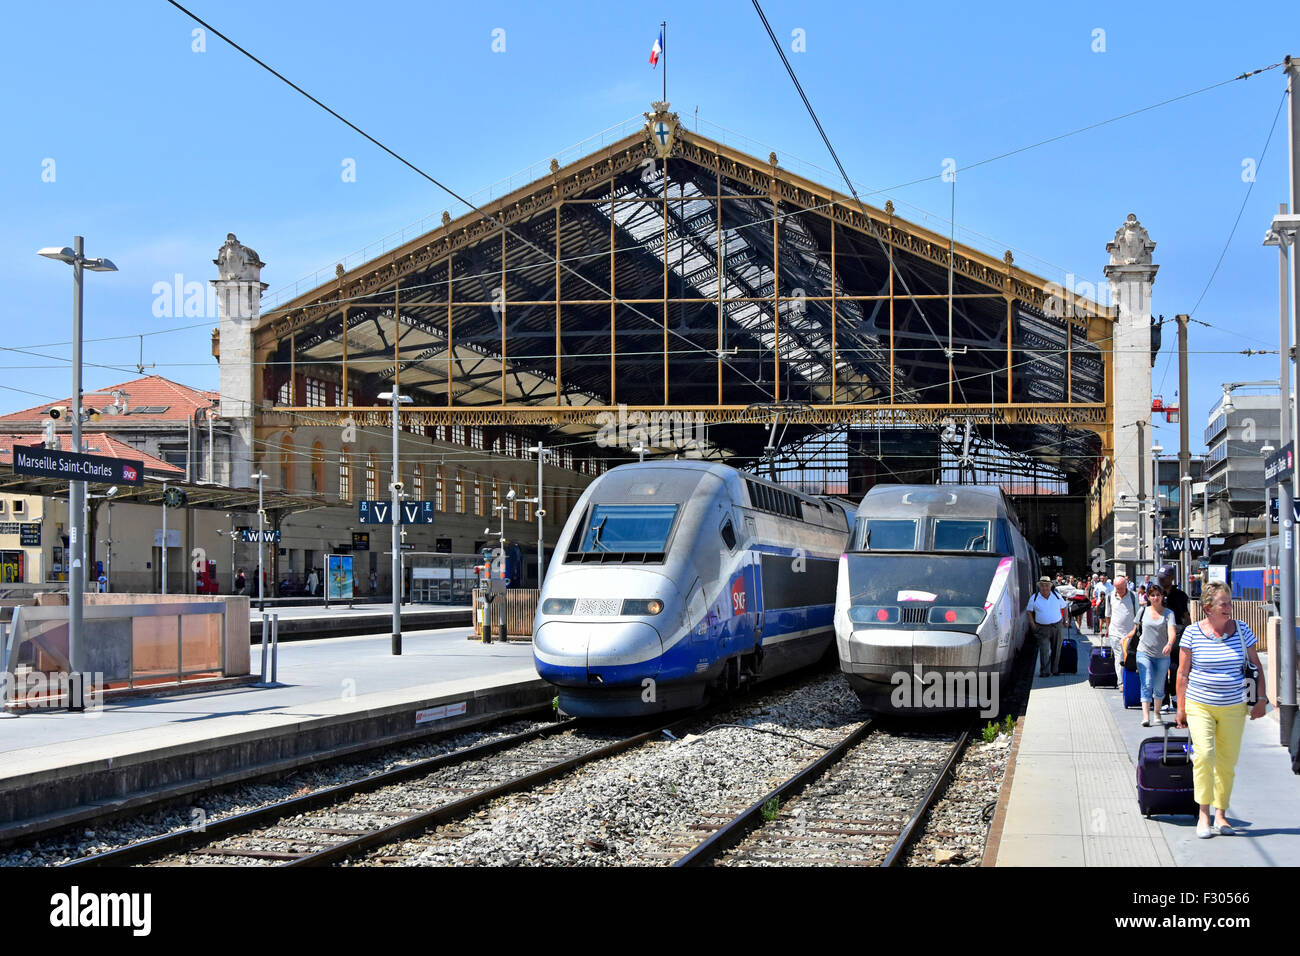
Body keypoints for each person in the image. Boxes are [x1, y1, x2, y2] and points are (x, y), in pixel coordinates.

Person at [1176, 581, 1267, 838]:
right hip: (1199, 704)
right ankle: (1203, 815)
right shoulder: (1192, 633)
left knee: (1227, 762)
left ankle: (1222, 815)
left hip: (1234, 706)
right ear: (1208, 608)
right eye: (1223, 603)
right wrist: (1180, 708)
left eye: (1229, 602)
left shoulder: (1242, 630)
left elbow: (1256, 666)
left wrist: (1260, 699)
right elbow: (1183, 673)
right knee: (1204, 756)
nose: (1229, 607)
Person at [1130, 583, 1177, 727]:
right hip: (1144, 652)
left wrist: (1169, 644)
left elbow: (1172, 632)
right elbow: (1135, 629)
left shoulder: (1169, 613)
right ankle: (1146, 716)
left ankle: (1156, 713)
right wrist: (1126, 638)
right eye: (1152, 595)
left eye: (1158, 595)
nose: (1156, 598)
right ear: (1148, 597)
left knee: (1159, 685)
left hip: (1162, 655)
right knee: (1147, 682)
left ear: (1162, 596)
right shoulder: (1143, 611)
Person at [1157, 565, 1192, 710]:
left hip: (1177, 634)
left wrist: (1190, 632)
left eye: (1164, 579)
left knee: (1176, 666)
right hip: (1160, 634)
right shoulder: (1155, 594)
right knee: (1161, 667)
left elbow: (1185, 615)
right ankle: (1164, 700)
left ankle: (1175, 697)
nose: (1162, 581)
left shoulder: (1181, 595)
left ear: (1171, 578)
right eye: (1160, 579)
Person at [1027, 576, 1068, 677]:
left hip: (1057, 626)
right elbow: (1029, 611)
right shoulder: (1034, 597)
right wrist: (1033, 625)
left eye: (1046, 586)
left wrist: (1066, 620)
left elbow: (1065, 607)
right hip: (1042, 627)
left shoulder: (1057, 595)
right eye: (1042, 586)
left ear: (1050, 586)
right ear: (1039, 587)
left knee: (1057, 648)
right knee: (1044, 649)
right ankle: (1044, 671)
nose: (1044, 588)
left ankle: (1055, 669)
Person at [1105, 574, 1138, 684]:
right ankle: (1121, 683)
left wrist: (1135, 630)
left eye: (1120, 588)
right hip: (1115, 632)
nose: (1118, 590)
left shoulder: (1133, 596)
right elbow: (1107, 614)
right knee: (1119, 658)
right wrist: (1107, 629)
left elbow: (1137, 615)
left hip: (1130, 633)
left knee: (1130, 658)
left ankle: (1130, 681)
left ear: (1126, 585)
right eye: (1116, 588)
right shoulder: (1110, 596)